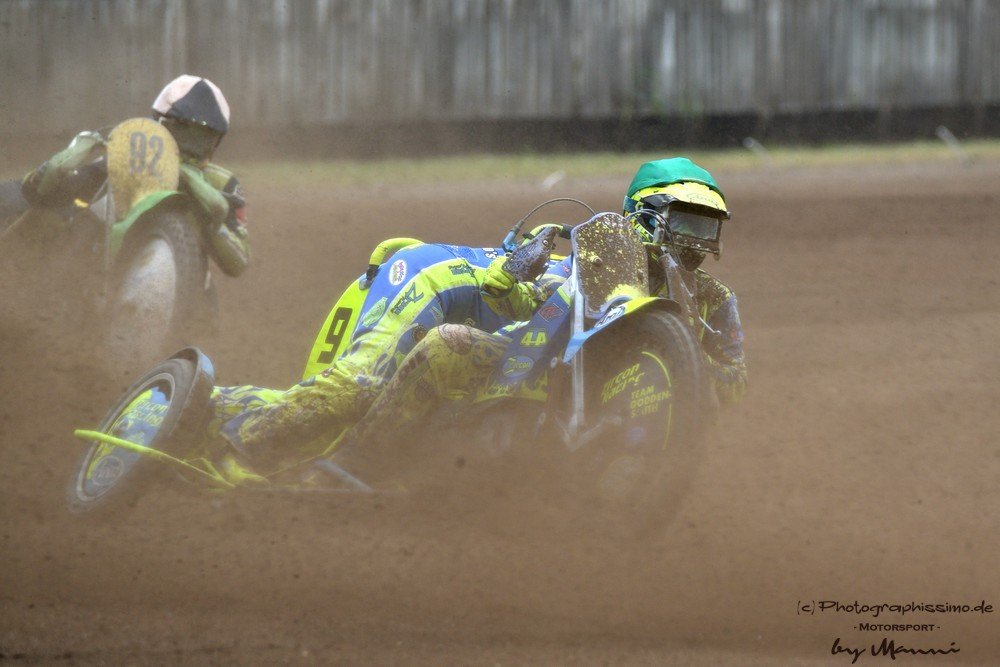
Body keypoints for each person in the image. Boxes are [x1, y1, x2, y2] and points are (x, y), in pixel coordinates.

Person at [347, 157, 748, 441]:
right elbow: (518, 301)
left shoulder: (716, 298)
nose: (695, 240)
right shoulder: (593, 263)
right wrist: (509, 275)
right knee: (447, 344)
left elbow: (734, 383)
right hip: (542, 369)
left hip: (627, 411)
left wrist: (691, 358)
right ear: (643, 216)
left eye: (706, 227)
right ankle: (360, 454)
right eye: (684, 223)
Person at [204, 241, 567, 472]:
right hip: (431, 282)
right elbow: (514, 295)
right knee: (365, 385)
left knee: (376, 408)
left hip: (472, 320)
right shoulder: (585, 264)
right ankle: (242, 446)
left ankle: (207, 407)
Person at [15, 74, 249, 277]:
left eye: (202, 137)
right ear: (159, 123)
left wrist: (210, 219)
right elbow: (40, 191)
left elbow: (238, 261)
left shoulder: (223, 185)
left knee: (207, 298)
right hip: (88, 267)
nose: (190, 147)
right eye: (184, 132)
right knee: (56, 208)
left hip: (186, 288)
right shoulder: (126, 157)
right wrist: (48, 179)